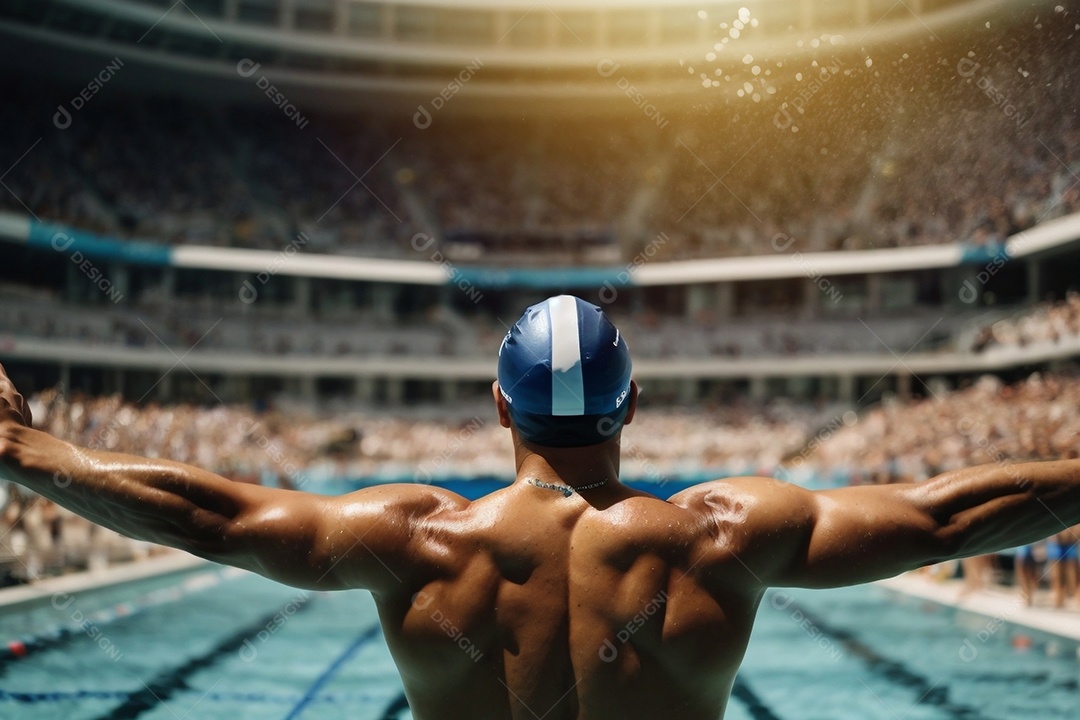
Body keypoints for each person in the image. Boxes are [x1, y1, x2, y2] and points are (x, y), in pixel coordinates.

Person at [2, 294, 1080, 720]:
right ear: (635, 405)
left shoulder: (417, 541)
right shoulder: (723, 537)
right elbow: (952, 515)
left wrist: (28, 450)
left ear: (497, 404)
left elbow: (208, 516)